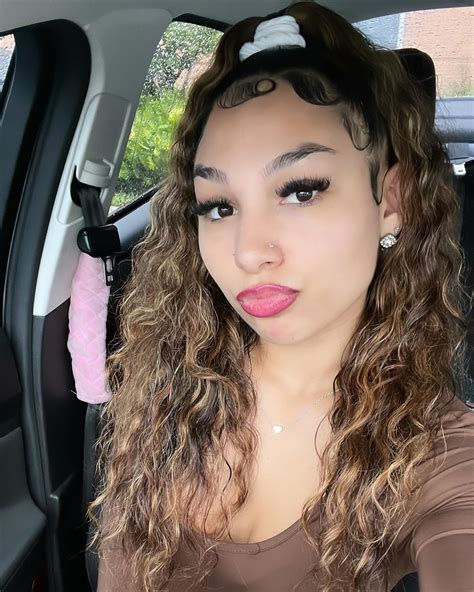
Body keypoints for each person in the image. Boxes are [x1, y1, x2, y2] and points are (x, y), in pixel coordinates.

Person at [88, 2, 474, 591]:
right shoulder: (163, 388)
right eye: (219, 206)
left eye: (300, 190)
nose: (248, 251)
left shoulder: (436, 450)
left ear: (391, 200)